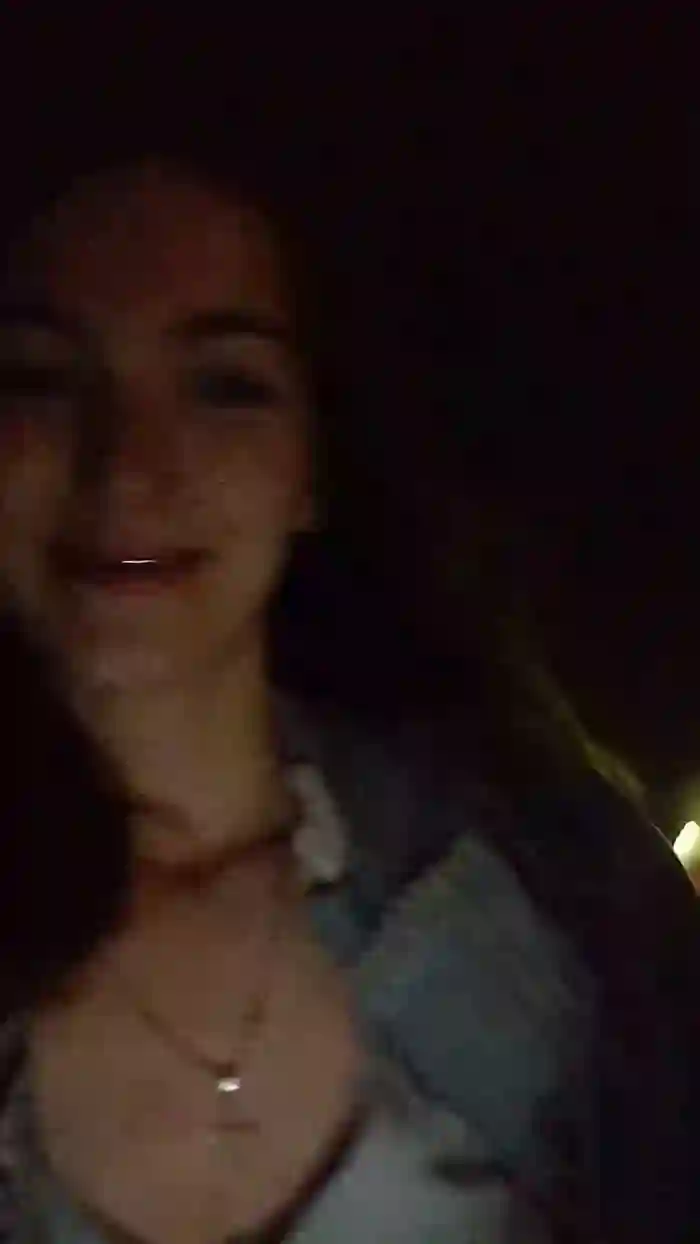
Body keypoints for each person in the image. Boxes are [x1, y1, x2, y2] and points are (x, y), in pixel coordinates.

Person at [0, 135, 697, 1244]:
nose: (127, 467)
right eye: (39, 378)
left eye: (224, 386)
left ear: (310, 466)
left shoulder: (535, 869)